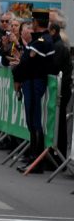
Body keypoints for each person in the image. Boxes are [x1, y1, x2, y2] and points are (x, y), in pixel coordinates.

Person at [13, 10, 55, 174]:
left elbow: (27, 62)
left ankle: (37, 161)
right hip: (30, 81)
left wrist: (16, 76)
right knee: (31, 120)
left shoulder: (42, 40)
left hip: (35, 82)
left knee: (35, 120)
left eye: (33, 21)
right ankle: (32, 157)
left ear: (37, 22)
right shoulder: (37, 40)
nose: (32, 24)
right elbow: (26, 59)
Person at [49, 23, 72, 158]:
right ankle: (56, 154)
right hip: (60, 89)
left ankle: (58, 155)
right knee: (57, 123)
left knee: (59, 124)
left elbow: (53, 67)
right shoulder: (58, 46)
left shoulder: (58, 47)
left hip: (60, 90)